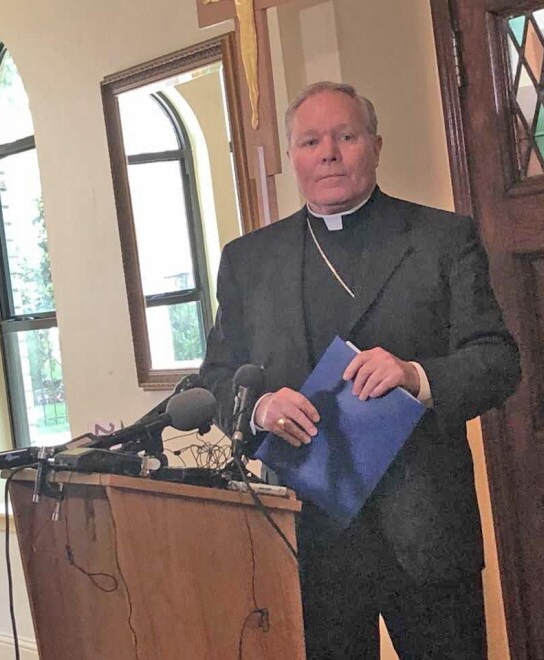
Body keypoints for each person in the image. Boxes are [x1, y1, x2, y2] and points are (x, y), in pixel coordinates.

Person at [199, 81, 520, 658]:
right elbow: (216, 380)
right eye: (311, 140)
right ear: (293, 157)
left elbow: (498, 362)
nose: (329, 152)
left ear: (375, 145)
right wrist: (263, 407)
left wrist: (416, 377)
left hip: (426, 531)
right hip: (307, 536)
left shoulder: (441, 239)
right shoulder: (249, 261)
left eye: (346, 136)